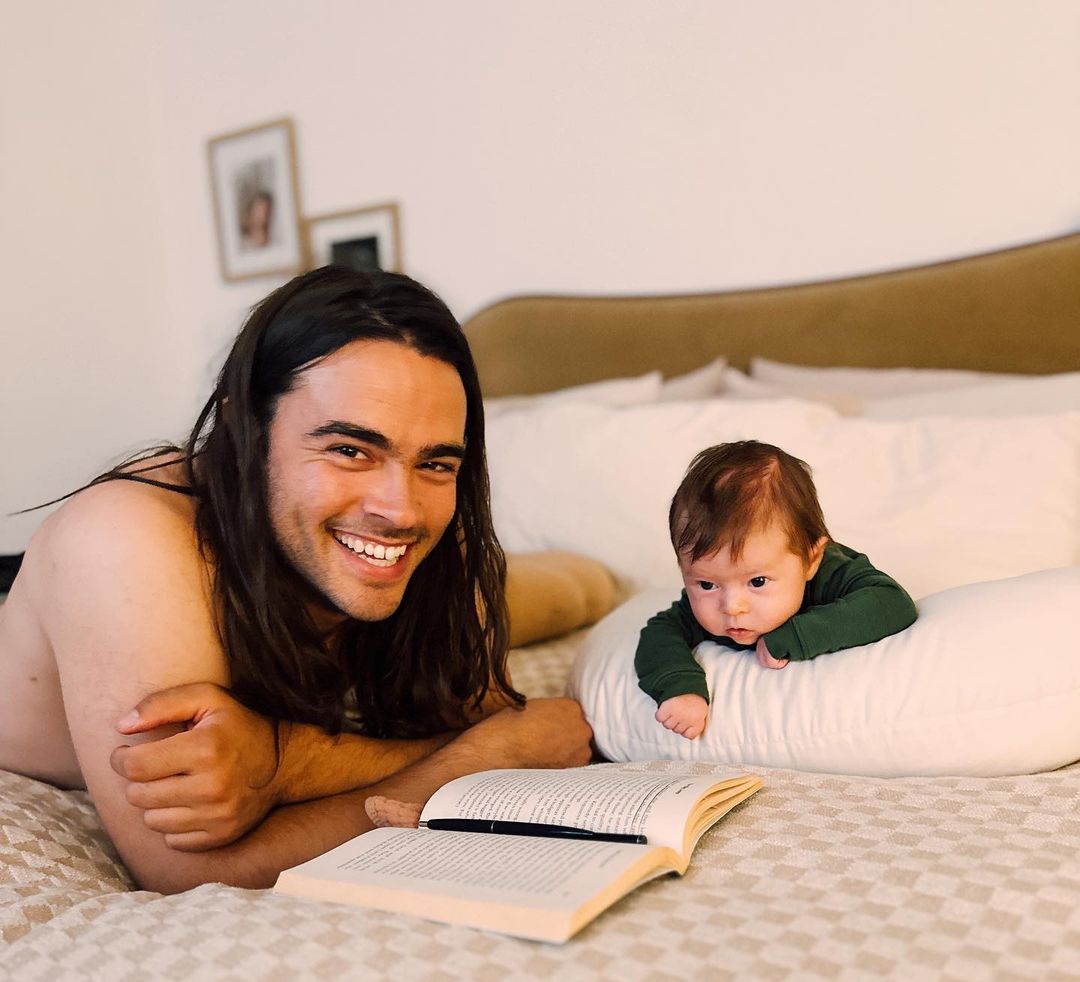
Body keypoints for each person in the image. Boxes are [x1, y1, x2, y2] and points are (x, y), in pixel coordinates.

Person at [0, 267, 592, 892]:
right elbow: (187, 870)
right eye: (349, 450)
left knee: (582, 590)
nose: (402, 509)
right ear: (243, 431)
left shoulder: (422, 516)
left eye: (436, 461)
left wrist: (282, 763)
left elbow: (479, 708)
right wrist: (486, 760)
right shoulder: (120, 539)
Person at [635, 440, 917, 739]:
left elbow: (892, 603)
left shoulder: (831, 573)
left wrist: (797, 635)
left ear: (810, 559)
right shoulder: (703, 606)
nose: (732, 606)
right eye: (706, 584)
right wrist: (680, 689)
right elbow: (659, 634)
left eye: (757, 582)